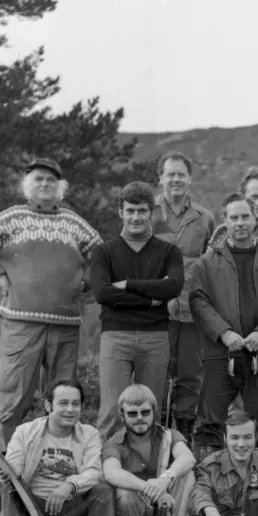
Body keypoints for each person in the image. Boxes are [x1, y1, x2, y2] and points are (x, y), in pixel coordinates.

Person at [0, 157, 102, 446]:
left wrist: (84, 285)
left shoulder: (74, 223)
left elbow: (104, 258)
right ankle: (5, 467)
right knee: (13, 397)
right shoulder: (12, 218)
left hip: (65, 326)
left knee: (64, 399)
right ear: (27, 185)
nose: (45, 184)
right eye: (39, 179)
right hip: (20, 323)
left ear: (61, 187)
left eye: (51, 180)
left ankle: (57, 461)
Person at [187, 192, 258, 453]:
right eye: (234, 217)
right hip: (219, 353)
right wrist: (224, 334)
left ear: (254, 218)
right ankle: (207, 483)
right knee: (209, 423)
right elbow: (198, 302)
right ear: (225, 221)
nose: (240, 222)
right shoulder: (207, 263)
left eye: (245, 216)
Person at [90, 181, 184, 439]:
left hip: (156, 338)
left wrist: (129, 285)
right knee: (111, 410)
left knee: (150, 408)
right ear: (120, 212)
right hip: (116, 336)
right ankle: (102, 472)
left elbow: (173, 287)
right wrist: (151, 299)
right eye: (130, 210)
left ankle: (146, 471)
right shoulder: (103, 252)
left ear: (152, 212)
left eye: (142, 211)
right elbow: (102, 293)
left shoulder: (169, 252)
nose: (136, 217)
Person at [0, 379, 118, 516]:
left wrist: (69, 486)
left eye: (75, 404)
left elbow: (94, 472)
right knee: (10, 486)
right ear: (48, 405)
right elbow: (14, 465)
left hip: (71, 511)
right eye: (63, 403)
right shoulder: (25, 432)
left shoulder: (90, 435)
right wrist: (9, 473)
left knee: (102, 491)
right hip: (32, 510)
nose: (70, 409)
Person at [153, 151, 215, 443]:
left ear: (189, 179)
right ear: (161, 177)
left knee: (191, 377)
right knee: (156, 374)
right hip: (155, 313)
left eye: (181, 174)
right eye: (170, 174)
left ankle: (184, 436)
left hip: (192, 312)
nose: (176, 179)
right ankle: (153, 433)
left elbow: (213, 263)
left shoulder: (205, 219)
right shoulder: (146, 213)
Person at [102, 383, 196, 516]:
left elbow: (188, 458)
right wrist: (150, 488)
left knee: (187, 475)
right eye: (132, 413)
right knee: (125, 493)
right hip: (133, 513)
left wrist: (164, 480)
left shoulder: (168, 435)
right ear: (122, 415)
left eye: (145, 412)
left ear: (154, 412)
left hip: (167, 511)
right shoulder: (114, 443)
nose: (139, 418)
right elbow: (111, 473)